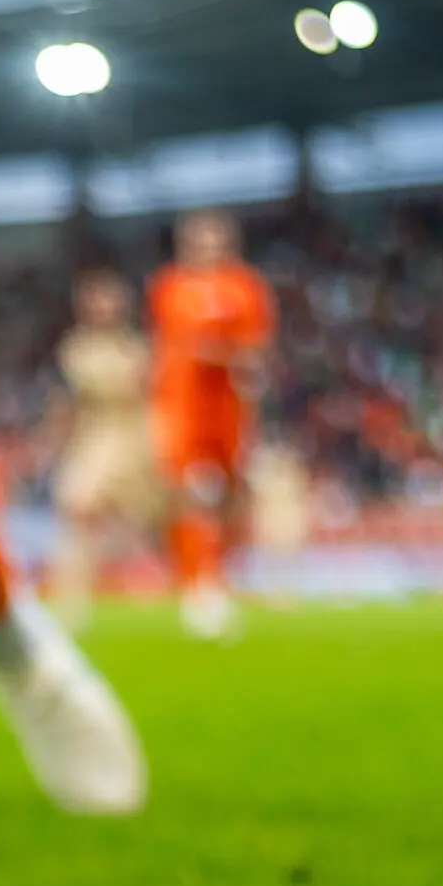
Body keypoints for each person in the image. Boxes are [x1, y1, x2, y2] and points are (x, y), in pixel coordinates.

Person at [149, 210, 276, 642]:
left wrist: (226, 356)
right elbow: (172, 346)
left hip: (230, 407)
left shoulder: (245, 287)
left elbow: (254, 349)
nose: (207, 252)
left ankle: (223, 575)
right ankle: (198, 583)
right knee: (192, 492)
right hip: (185, 407)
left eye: (215, 243)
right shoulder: (171, 287)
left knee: (231, 494)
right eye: (199, 244)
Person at [45, 270, 169, 631]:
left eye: (110, 298)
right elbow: (111, 386)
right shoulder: (78, 348)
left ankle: (161, 587)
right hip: (98, 439)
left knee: (140, 522)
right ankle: (71, 600)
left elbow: (146, 389)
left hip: (137, 439)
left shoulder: (136, 347)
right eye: (97, 299)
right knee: (78, 508)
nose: (105, 307)